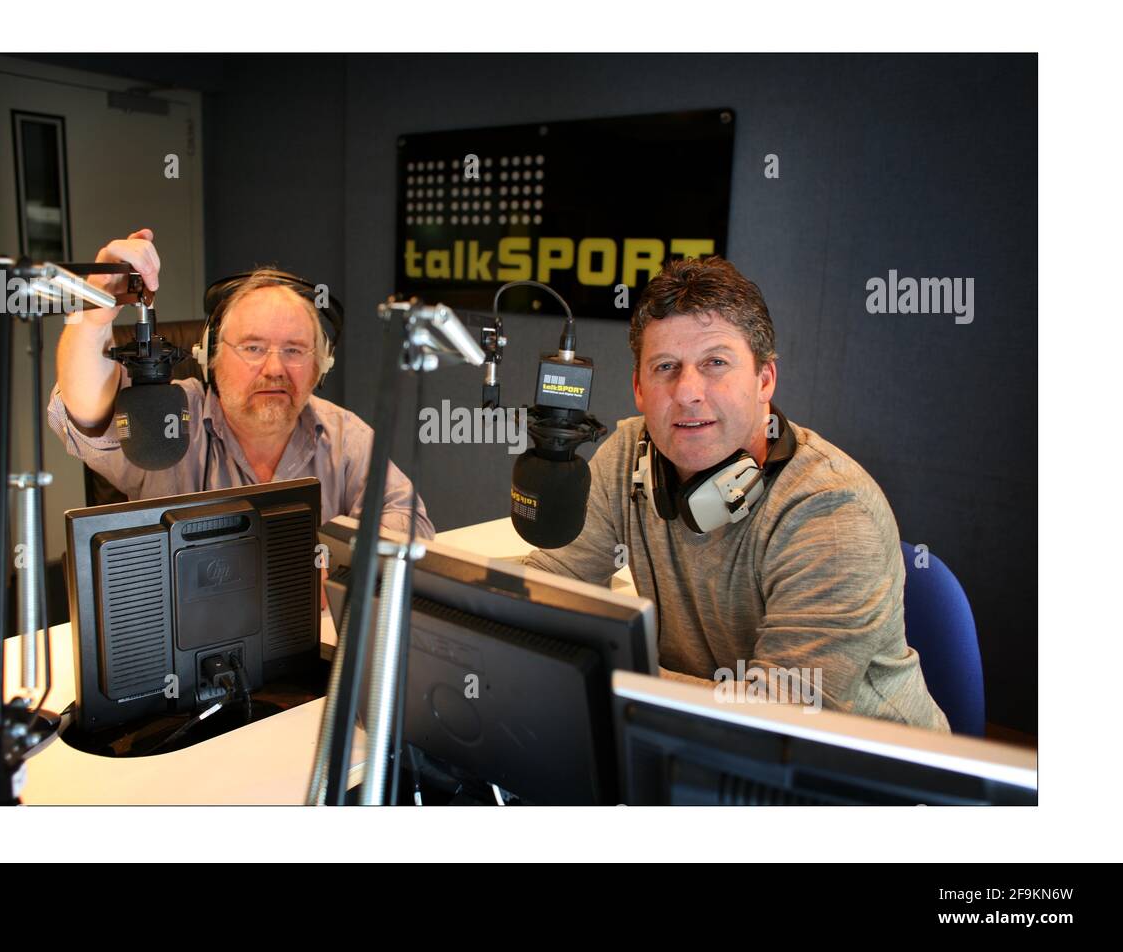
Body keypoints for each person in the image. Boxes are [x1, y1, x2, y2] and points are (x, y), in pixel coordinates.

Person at [525, 256, 949, 731]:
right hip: (687, 749)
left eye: (716, 363)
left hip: (864, 783)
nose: (687, 392)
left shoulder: (832, 511)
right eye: (665, 367)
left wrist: (601, 675)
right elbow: (548, 590)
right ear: (639, 389)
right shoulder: (627, 453)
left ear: (765, 378)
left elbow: (775, 721)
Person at [47, 228, 433, 538]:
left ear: (321, 367)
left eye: (296, 350)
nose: (275, 368)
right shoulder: (169, 420)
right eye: (253, 347)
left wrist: (347, 561)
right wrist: (94, 315)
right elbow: (85, 410)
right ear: (210, 355)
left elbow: (410, 520)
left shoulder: (344, 437)